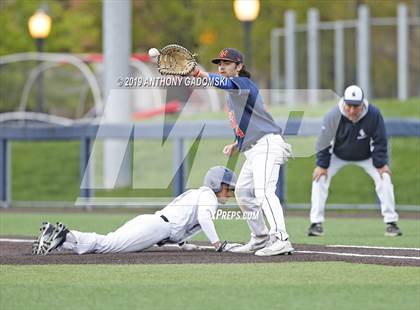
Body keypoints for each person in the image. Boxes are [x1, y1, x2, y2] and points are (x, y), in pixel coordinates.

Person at [191, 48, 294, 256]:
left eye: (227, 63)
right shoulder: (233, 94)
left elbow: (224, 82)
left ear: (239, 67)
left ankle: (281, 238)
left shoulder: (243, 84)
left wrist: (198, 73)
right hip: (254, 147)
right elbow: (252, 121)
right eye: (220, 63)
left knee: (264, 191)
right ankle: (260, 238)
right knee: (243, 192)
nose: (222, 67)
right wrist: (237, 143)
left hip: (266, 145)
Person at [32, 166, 241, 255]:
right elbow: (204, 219)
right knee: (108, 245)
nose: (229, 192)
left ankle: (59, 238)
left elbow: (180, 220)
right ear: (216, 184)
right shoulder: (208, 197)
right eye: (227, 187)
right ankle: (67, 235)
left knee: (109, 242)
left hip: (153, 223)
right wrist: (217, 245)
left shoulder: (197, 194)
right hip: (156, 227)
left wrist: (183, 244)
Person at [308, 85, 402, 237]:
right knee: (319, 178)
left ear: (362, 103)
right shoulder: (333, 115)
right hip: (337, 156)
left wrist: (380, 164)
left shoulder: (374, 114)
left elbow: (380, 140)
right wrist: (322, 165)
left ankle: (391, 223)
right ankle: (315, 223)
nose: (352, 110)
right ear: (344, 102)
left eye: (356, 106)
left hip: (367, 157)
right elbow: (324, 142)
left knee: (385, 178)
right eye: (349, 105)